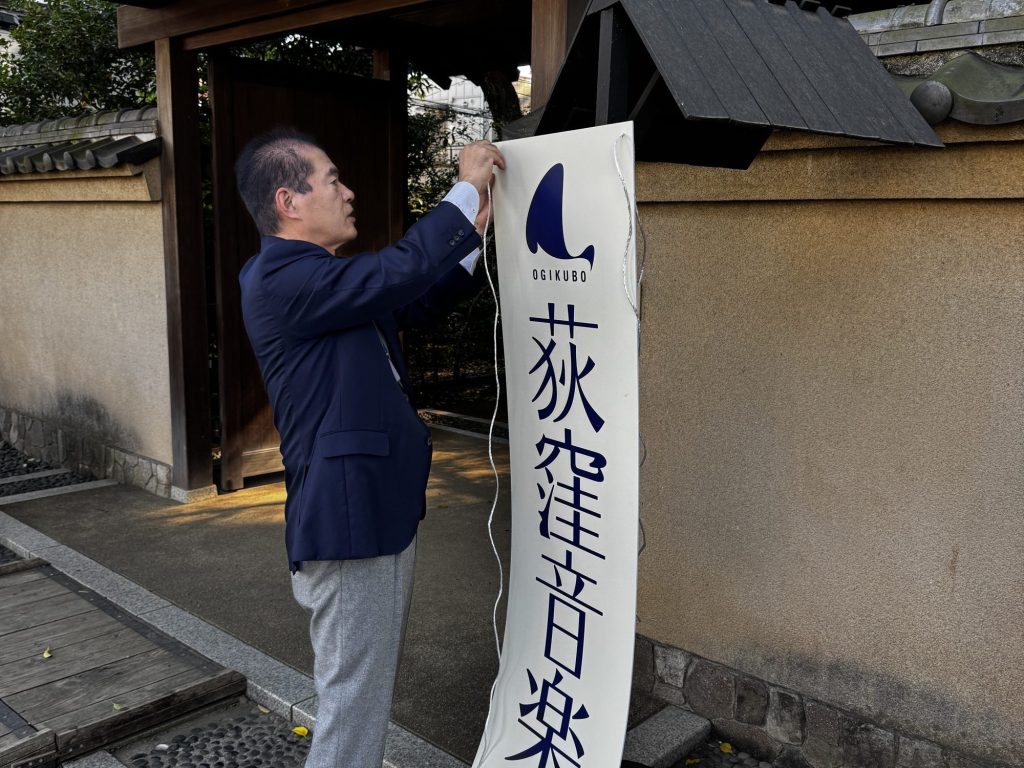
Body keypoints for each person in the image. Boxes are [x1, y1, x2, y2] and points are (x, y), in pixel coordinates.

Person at [234, 127, 505, 768]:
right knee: (353, 703)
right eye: (333, 180)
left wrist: (473, 230)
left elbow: (414, 295)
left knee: (361, 696)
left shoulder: (322, 281)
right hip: (348, 520)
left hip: (370, 511)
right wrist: (464, 190)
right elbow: (397, 270)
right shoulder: (277, 277)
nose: (348, 192)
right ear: (289, 202)